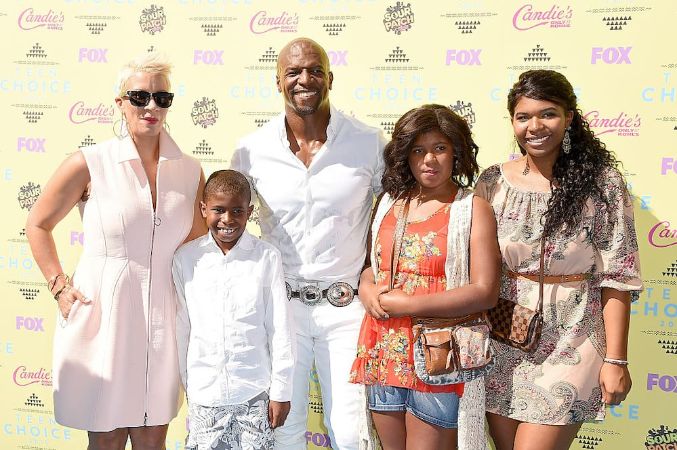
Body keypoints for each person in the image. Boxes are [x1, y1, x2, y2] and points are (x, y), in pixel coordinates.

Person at [25, 53, 206, 450]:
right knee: (105, 439)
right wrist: (59, 285)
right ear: (120, 103)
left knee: (152, 438)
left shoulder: (191, 171)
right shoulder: (89, 163)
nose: (151, 107)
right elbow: (37, 224)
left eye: (162, 98)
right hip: (105, 315)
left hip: (164, 316)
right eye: (139, 97)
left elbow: (196, 247)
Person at [230, 37, 386, 450]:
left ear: (330, 78)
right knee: (282, 431)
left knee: (352, 435)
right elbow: (229, 222)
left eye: (314, 70)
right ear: (278, 82)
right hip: (281, 310)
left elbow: (395, 216)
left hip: (347, 307)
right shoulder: (250, 150)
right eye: (293, 72)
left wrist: (373, 272)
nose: (305, 79)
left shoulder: (368, 141)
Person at [475, 70, 643, 450]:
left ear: (569, 117)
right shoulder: (492, 182)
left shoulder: (604, 184)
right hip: (505, 334)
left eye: (547, 114)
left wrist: (616, 360)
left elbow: (618, 276)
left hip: (575, 338)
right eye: (523, 117)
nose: (534, 126)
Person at [349, 104, 500, 450]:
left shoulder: (471, 207)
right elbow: (374, 264)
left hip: (438, 352)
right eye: (418, 150)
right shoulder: (389, 202)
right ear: (405, 155)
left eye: (440, 148)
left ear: (457, 153)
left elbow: (485, 290)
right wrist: (366, 286)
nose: (428, 160)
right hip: (383, 345)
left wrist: (410, 305)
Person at [172, 169, 295, 450]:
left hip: (254, 392)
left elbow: (279, 328)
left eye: (237, 211)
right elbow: (183, 328)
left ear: (249, 212)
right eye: (218, 210)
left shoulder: (266, 257)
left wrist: (281, 391)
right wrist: (190, 386)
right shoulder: (187, 258)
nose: (227, 220)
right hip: (206, 394)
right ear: (203, 209)